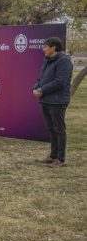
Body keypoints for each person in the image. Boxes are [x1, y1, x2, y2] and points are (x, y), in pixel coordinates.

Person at [32, 37, 73, 168]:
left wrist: (42, 89)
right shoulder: (47, 60)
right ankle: (53, 156)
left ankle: (61, 160)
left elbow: (60, 81)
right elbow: (41, 78)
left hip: (58, 100)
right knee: (51, 129)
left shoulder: (64, 61)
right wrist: (35, 88)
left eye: (45, 46)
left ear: (53, 47)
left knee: (59, 130)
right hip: (46, 99)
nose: (43, 49)